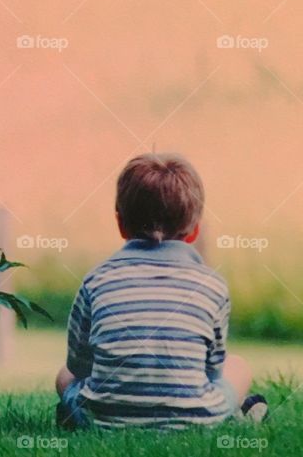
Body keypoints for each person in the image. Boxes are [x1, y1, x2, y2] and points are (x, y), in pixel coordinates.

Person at [55, 153, 267, 429]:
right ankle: (238, 412)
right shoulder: (212, 285)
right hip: (197, 418)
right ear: (194, 231)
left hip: (101, 419)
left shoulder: (96, 280)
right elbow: (212, 372)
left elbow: (79, 367)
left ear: (120, 224)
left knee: (64, 376)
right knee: (238, 367)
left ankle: (83, 416)